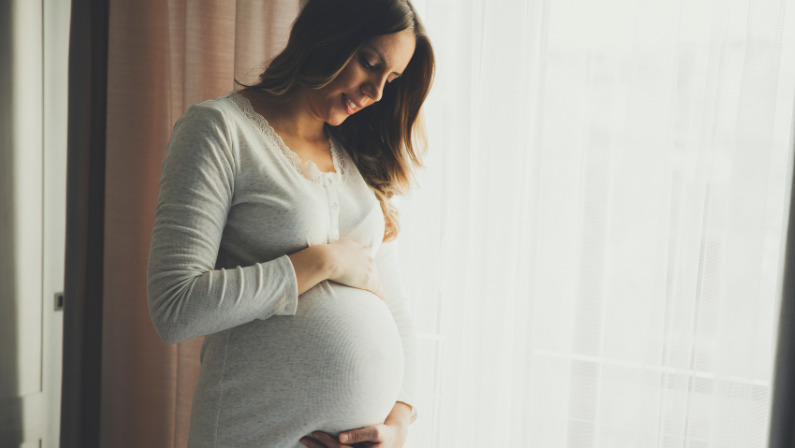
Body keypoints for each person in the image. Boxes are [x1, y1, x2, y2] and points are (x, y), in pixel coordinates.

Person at [146, 0, 435, 446]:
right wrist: (321, 262)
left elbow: (395, 310)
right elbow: (175, 307)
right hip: (254, 430)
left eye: (391, 80)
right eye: (369, 63)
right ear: (327, 35)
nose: (377, 92)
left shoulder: (356, 156)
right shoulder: (219, 130)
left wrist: (397, 422)